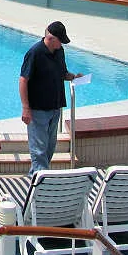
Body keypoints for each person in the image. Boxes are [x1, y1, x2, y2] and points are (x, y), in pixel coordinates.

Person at [19, 21, 83, 175]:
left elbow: (62, 73)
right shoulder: (35, 53)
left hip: (55, 108)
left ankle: (35, 178)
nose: (62, 44)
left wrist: (74, 77)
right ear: (51, 38)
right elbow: (23, 80)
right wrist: (26, 108)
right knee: (39, 151)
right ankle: (42, 186)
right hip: (38, 110)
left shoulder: (59, 51)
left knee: (49, 148)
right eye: (60, 40)